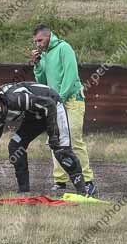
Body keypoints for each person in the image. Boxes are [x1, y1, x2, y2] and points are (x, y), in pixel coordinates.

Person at [0, 81, 89, 196]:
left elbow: (49, 104)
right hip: (35, 114)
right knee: (15, 146)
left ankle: (83, 191)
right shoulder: (0, 105)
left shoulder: (14, 99)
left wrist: (53, 135)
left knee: (60, 150)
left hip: (53, 107)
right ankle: (24, 191)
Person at [30, 24, 98, 197]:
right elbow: (43, 80)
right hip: (56, 102)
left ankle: (88, 181)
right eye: (35, 41)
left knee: (74, 140)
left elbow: (71, 74)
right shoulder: (44, 55)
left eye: (40, 40)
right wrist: (37, 65)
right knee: (56, 140)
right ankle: (60, 181)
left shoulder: (63, 48)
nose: (38, 44)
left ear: (49, 36)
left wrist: (60, 97)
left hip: (72, 100)